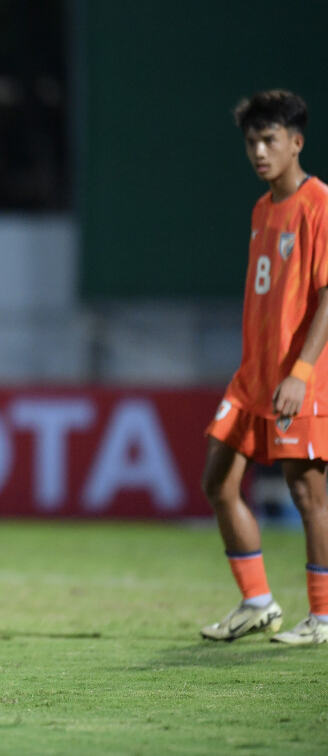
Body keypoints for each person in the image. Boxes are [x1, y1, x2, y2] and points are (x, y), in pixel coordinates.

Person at [200, 90, 328, 646]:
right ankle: (257, 602)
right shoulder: (261, 208)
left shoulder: (318, 202)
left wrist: (300, 374)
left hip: (297, 377)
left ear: (296, 142)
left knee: (307, 495)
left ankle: (323, 616)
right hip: (253, 377)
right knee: (219, 482)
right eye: (251, 140)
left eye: (269, 139)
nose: (258, 150)